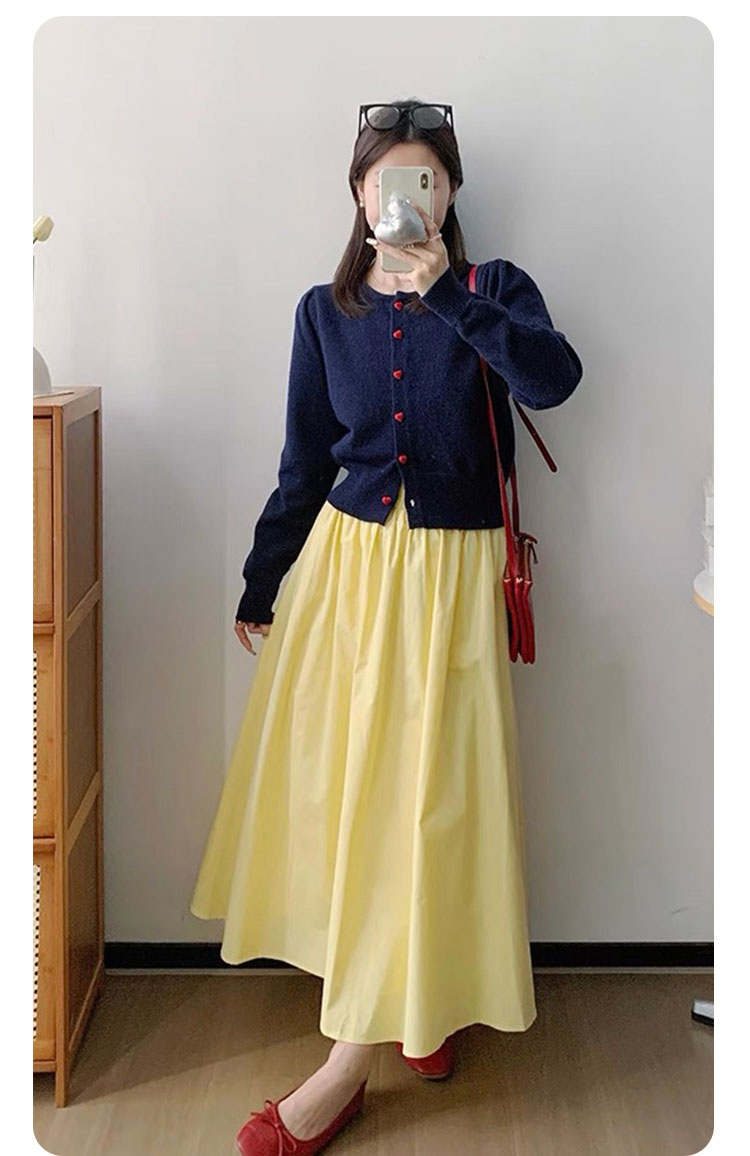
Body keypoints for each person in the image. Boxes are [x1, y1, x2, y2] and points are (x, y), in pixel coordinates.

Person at [189, 98, 583, 1156]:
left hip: (450, 584)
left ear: (449, 193)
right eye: (389, 179)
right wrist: (261, 578)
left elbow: (554, 380)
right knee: (361, 807)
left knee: (433, 804)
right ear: (359, 193)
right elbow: (303, 458)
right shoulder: (325, 312)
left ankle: (357, 1056)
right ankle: (405, 1017)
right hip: (348, 578)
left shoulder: (494, 290)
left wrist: (448, 292)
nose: (409, 196)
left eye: (429, 180)